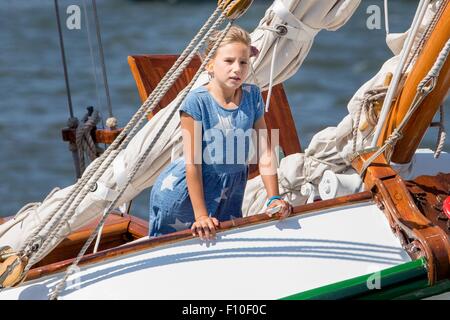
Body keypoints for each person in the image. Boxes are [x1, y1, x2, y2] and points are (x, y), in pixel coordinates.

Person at [148, 25, 292, 240]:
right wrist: (201, 216)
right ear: (210, 64)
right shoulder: (196, 102)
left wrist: (273, 198)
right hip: (185, 197)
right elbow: (193, 164)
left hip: (230, 192)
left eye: (243, 62)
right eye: (229, 61)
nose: (237, 69)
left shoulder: (252, 97)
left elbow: (265, 152)